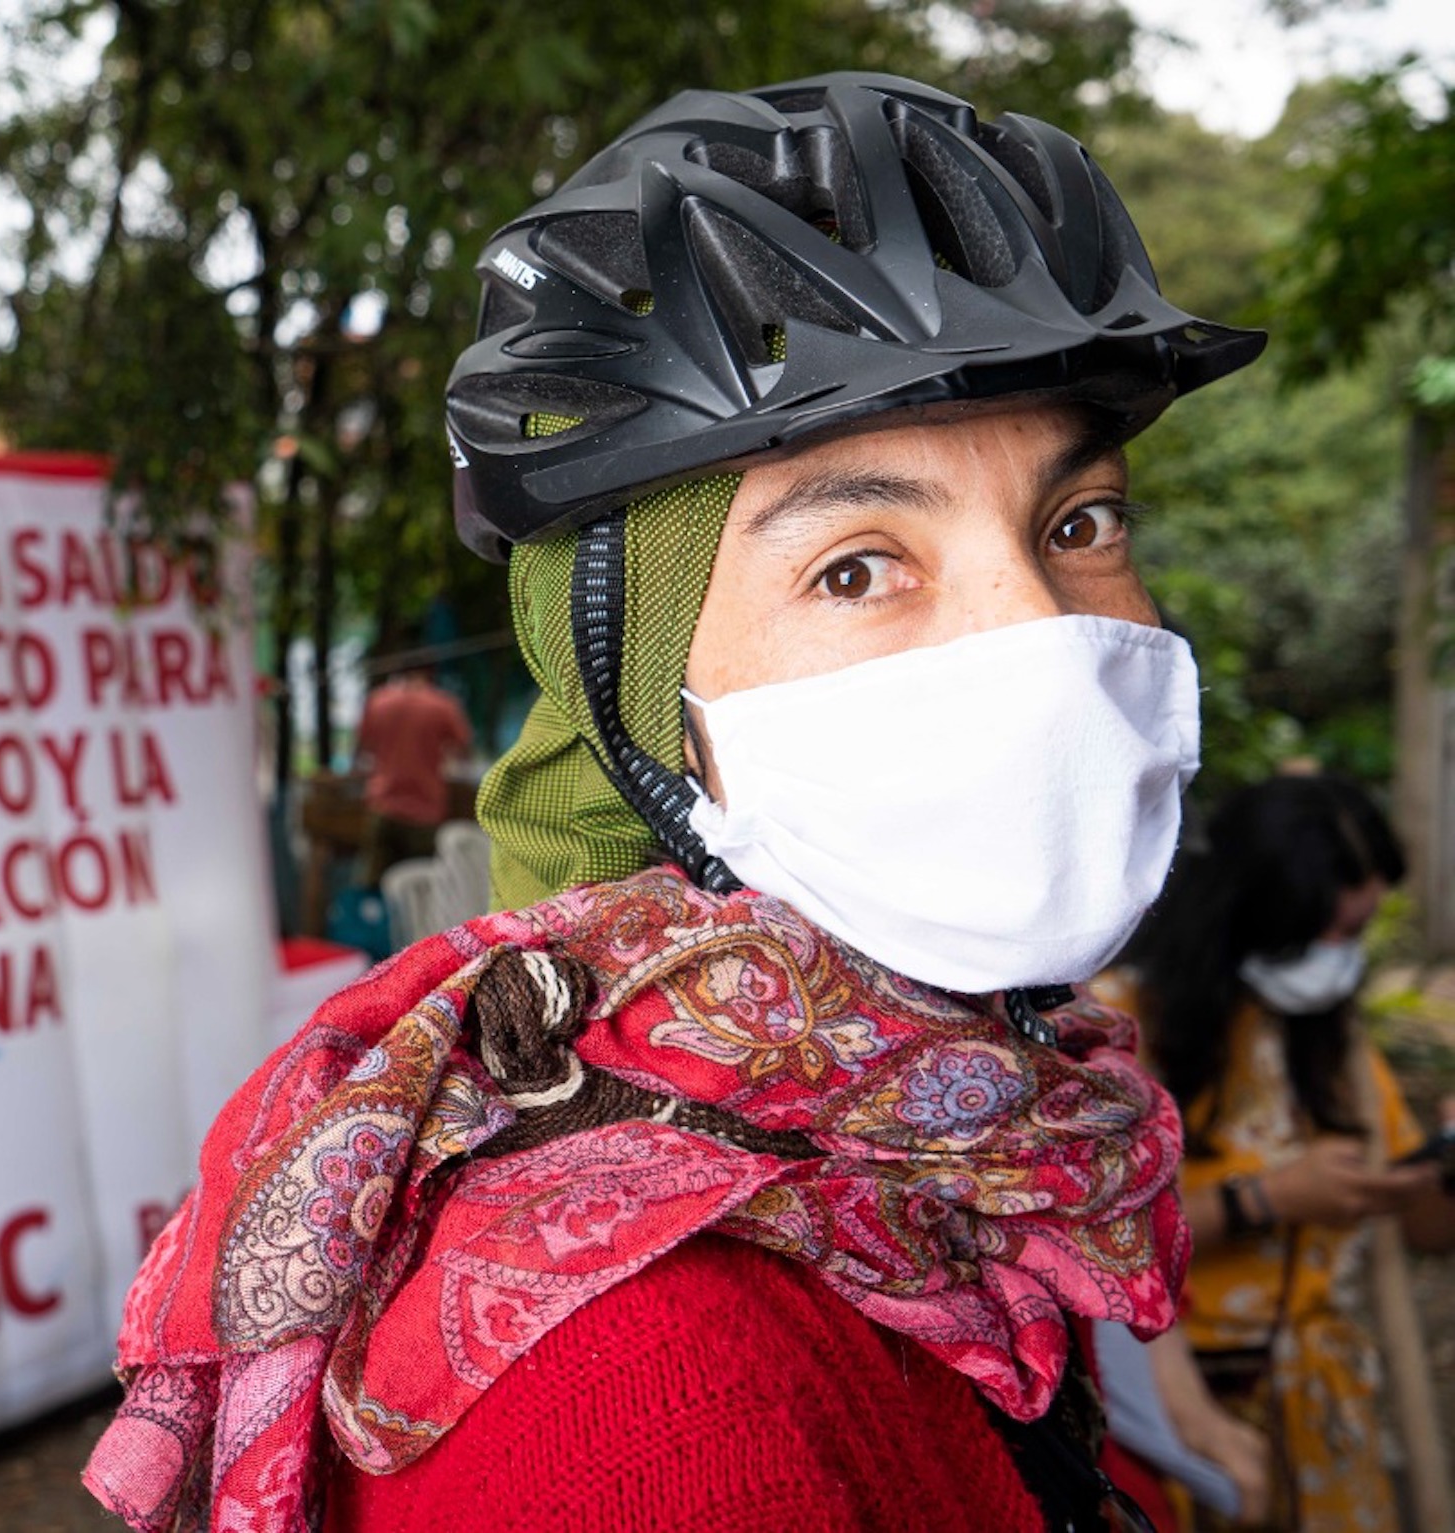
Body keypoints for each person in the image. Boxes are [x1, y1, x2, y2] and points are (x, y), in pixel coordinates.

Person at [87, 71, 1265, 1531]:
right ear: (650, 710)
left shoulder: (960, 1136)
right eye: (857, 567)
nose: (1040, 642)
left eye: (1077, 524)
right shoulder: (653, 1394)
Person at [1119, 775, 1455, 1531]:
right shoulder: (1118, 1035)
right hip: (1184, 1414)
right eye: (1328, 934)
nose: (1342, 959)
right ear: (1251, 911)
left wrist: (1442, 1169)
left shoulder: (1333, 1047)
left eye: (1359, 932)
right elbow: (1090, 1247)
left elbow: (1427, 1230)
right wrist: (1266, 1200)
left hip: (1326, 1417)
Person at [352, 665, 473, 881]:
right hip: (425, 808)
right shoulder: (441, 705)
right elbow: (463, 751)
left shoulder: (379, 701)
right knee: (422, 888)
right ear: (429, 674)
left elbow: (363, 749)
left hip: (383, 805)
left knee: (372, 884)